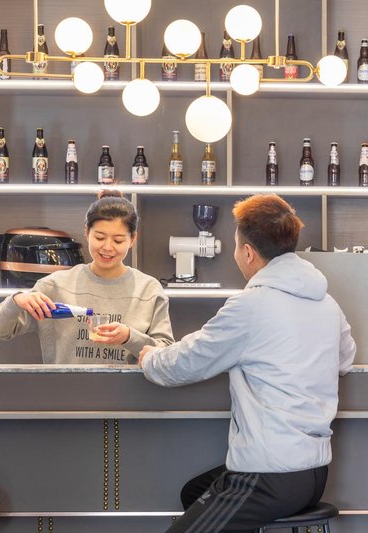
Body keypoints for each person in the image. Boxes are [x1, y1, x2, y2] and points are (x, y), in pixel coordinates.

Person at [139, 194, 356, 533]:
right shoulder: (328, 303)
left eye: (237, 245)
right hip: (313, 474)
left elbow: (183, 364)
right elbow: (345, 359)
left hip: (268, 475)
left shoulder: (250, 306)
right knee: (194, 493)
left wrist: (148, 357)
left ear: (249, 252)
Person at [0, 190, 174, 364]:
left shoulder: (148, 290)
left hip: (128, 388)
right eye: (99, 238)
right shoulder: (55, 285)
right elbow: (0, 331)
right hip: (67, 387)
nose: (107, 247)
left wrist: (129, 337)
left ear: (133, 239)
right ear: (86, 233)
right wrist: (16, 301)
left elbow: (166, 354)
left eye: (118, 240)